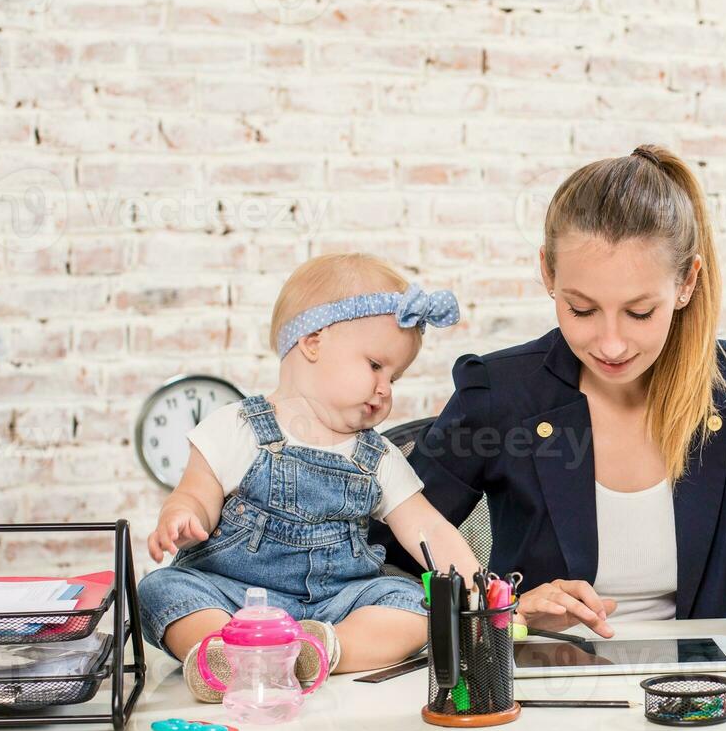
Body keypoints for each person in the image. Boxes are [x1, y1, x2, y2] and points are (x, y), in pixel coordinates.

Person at [394, 144, 726, 637]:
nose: (610, 343)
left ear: (686, 283)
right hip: (542, 692)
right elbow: (384, 562)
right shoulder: (500, 394)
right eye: (581, 309)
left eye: (640, 312)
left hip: (695, 689)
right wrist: (506, 614)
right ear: (548, 273)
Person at [139, 253, 481, 701]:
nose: (385, 389)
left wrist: (476, 587)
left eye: (394, 377)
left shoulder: (378, 457)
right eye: (376, 366)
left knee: (414, 604)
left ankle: (319, 650)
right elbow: (195, 493)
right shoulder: (237, 426)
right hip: (236, 599)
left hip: (337, 604)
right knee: (162, 590)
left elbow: (427, 526)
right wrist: (183, 515)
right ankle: (222, 653)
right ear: (313, 342)